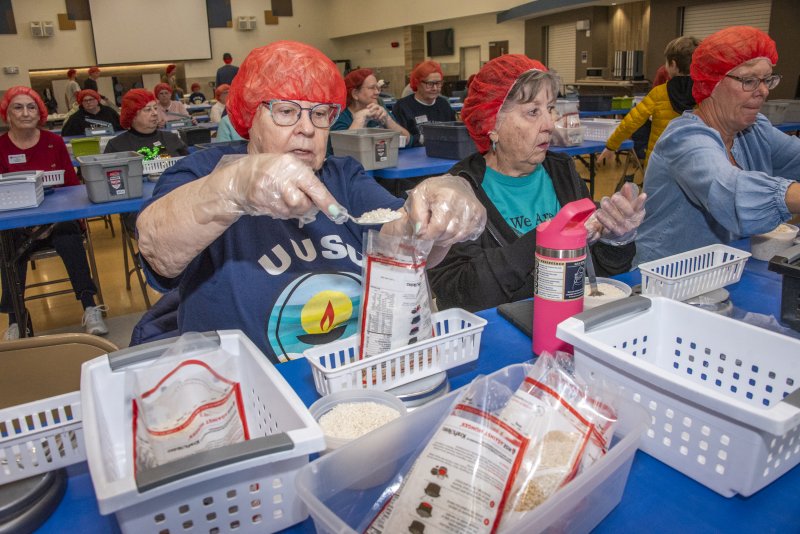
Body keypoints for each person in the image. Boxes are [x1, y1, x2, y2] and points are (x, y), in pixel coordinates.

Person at [135, 41, 486, 363]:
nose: (307, 128)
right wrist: (234, 188)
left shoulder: (342, 176)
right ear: (251, 116)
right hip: (247, 381)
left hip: (352, 371)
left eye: (319, 114)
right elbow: (156, 248)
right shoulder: (203, 173)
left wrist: (436, 212)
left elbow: (402, 239)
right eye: (286, 111)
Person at [427, 55, 647, 312]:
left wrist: (616, 240)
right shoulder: (461, 191)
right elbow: (458, 295)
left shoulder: (562, 172)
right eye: (533, 112)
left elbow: (596, 276)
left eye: (550, 108)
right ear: (492, 124)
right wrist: (544, 240)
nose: (550, 124)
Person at [634, 26, 800, 266]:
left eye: (767, 80)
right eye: (749, 80)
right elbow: (729, 190)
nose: (763, 91)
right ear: (712, 83)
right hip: (668, 274)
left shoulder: (755, 130)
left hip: (725, 268)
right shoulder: (684, 139)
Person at [0, 87, 108, 339]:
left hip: (57, 220)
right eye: (18, 107)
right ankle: (16, 319)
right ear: (7, 114)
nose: (25, 113)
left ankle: (90, 306)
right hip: (17, 223)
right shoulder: (1, 146)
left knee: (69, 237)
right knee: (6, 248)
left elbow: (72, 186)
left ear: (39, 112)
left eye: (31, 107)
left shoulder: (54, 142)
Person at [598, 36, 699, 167]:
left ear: (673, 65)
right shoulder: (705, 95)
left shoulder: (658, 93)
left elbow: (631, 121)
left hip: (659, 163)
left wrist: (611, 145)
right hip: (692, 162)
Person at [330, 68, 409, 151]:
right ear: (355, 94)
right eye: (372, 88)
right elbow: (340, 150)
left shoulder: (379, 107)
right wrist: (359, 120)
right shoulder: (340, 115)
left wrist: (388, 120)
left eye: (377, 88)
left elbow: (407, 141)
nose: (377, 92)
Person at [105, 89, 188, 158]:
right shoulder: (116, 146)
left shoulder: (172, 138)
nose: (155, 113)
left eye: (155, 108)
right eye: (148, 110)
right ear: (132, 115)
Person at [392, 61, 456, 146]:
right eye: (430, 84)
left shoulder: (444, 104)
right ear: (417, 82)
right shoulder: (402, 107)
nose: (435, 88)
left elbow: (454, 134)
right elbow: (399, 139)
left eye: (438, 83)